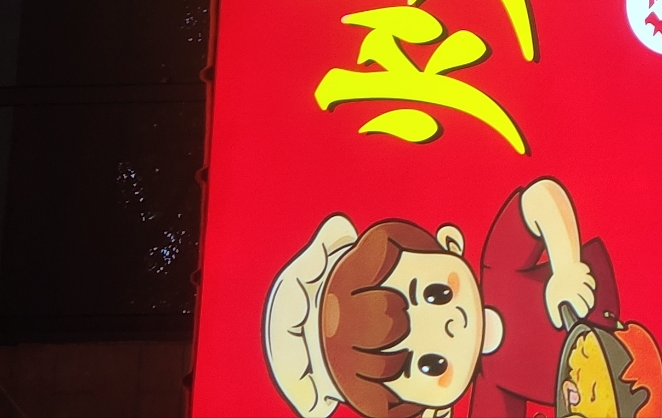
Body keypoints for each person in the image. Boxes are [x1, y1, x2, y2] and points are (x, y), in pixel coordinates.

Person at [265, 176, 631, 418]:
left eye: (436, 293)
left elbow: (542, 199)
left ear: (449, 244)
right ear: (433, 410)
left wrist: (566, 267)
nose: (450, 325)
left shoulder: (499, 265)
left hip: (620, 287)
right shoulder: (491, 397)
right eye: (431, 365)